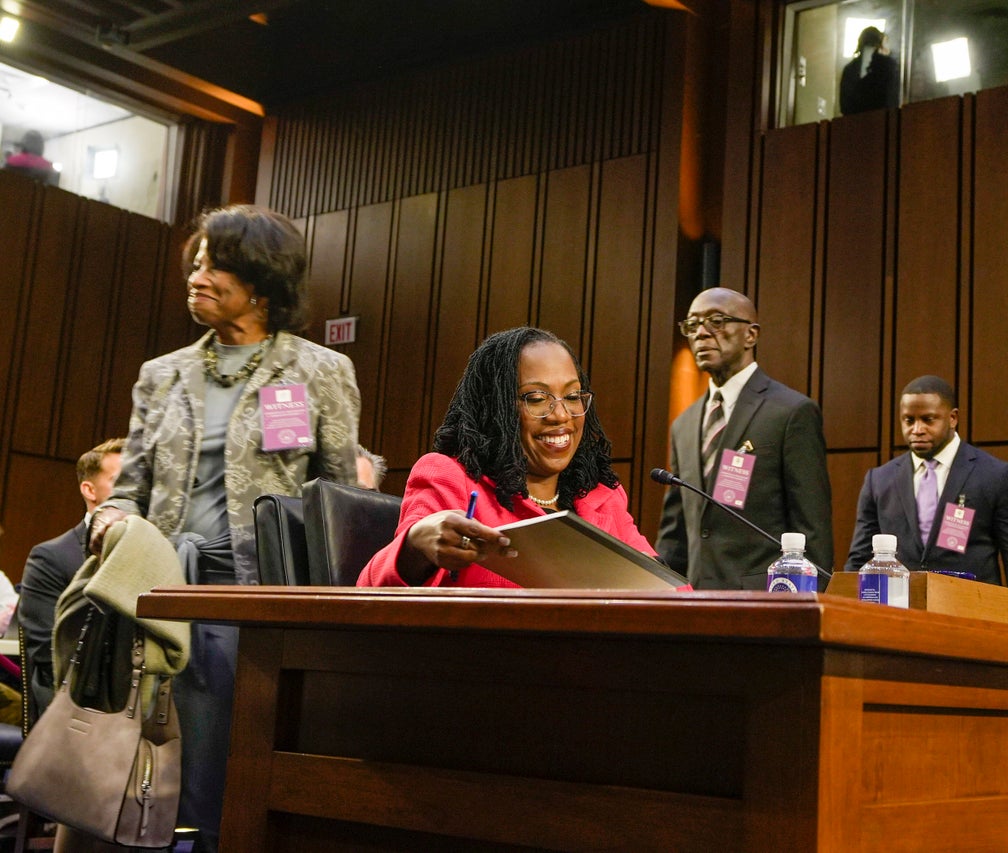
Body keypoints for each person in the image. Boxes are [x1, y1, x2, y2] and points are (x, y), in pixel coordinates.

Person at [89, 204, 361, 851]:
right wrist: (112, 513)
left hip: (258, 603)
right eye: (197, 262)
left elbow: (339, 498)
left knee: (229, 780)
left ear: (262, 280)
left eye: (217, 264)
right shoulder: (162, 374)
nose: (198, 275)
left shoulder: (319, 371)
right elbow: (131, 485)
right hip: (159, 597)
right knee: (142, 778)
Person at [358, 326, 654, 588]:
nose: (562, 415)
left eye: (573, 396)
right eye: (537, 399)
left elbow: (666, 590)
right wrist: (413, 548)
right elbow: (370, 590)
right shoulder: (449, 477)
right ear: (495, 407)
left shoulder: (603, 497)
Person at [655, 287, 833, 588]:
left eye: (716, 321)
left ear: (751, 335)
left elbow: (811, 528)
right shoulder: (683, 425)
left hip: (765, 600)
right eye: (692, 325)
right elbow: (676, 533)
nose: (701, 333)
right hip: (697, 601)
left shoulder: (790, 412)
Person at [843, 375, 1008, 618]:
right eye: (908, 420)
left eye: (928, 420)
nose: (917, 429)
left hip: (974, 617)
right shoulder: (879, 480)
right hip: (898, 619)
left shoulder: (995, 476)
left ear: (952, 418)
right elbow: (859, 560)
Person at [18, 438, 123, 722]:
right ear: (90, 490)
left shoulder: (156, 551)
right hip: (74, 709)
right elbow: (46, 650)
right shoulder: (51, 557)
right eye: (120, 481)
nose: (132, 492)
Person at [839, 26, 900, 116]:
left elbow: (844, 105)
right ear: (880, 43)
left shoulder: (849, 69)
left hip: (854, 123)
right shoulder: (888, 66)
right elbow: (892, 99)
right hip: (882, 121)